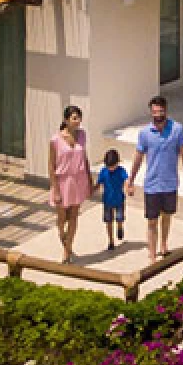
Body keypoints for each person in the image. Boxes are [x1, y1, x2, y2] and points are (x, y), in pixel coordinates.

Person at [134, 94, 183, 258]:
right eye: (154, 112)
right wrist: (131, 180)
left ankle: (164, 244)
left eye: (160, 112)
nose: (157, 115)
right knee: (152, 221)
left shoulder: (177, 129)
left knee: (167, 216)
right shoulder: (145, 133)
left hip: (170, 183)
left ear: (165, 111)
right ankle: (152, 254)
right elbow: (138, 157)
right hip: (152, 184)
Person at [47, 105, 91, 263]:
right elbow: (51, 165)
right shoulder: (55, 140)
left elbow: (85, 157)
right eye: (74, 118)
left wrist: (89, 179)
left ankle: (67, 249)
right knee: (62, 217)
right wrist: (56, 188)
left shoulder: (82, 135)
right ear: (66, 120)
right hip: (62, 180)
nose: (78, 121)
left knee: (74, 216)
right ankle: (61, 233)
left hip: (78, 179)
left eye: (79, 118)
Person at [97, 148, 128, 248]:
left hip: (119, 200)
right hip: (107, 201)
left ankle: (120, 227)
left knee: (119, 218)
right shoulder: (103, 171)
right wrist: (92, 189)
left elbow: (126, 180)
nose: (111, 168)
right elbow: (99, 183)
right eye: (108, 166)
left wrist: (128, 187)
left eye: (113, 166)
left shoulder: (121, 171)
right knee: (108, 221)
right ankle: (111, 241)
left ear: (117, 163)